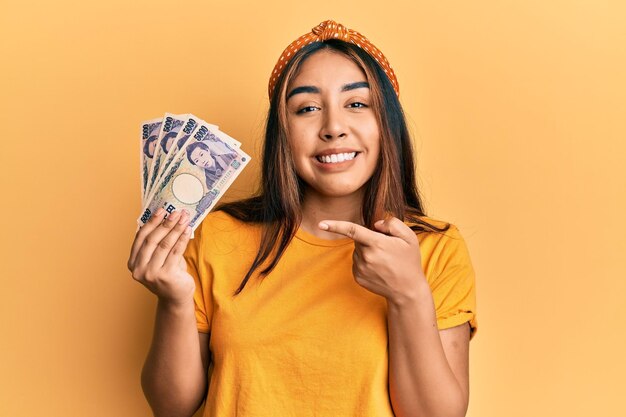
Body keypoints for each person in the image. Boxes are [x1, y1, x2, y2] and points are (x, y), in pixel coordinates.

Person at [128, 19, 477, 417]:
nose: (333, 128)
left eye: (357, 104)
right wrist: (173, 301)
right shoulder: (218, 235)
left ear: (387, 125)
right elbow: (172, 407)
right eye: (307, 108)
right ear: (283, 133)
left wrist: (409, 294)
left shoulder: (436, 249)